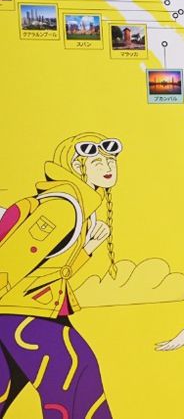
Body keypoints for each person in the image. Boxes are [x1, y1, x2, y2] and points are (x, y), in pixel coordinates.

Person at [0, 132, 122, 418]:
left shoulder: (80, 207)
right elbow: (10, 261)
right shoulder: (62, 208)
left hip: (28, 310)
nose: (108, 167)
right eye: (97, 162)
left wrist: (86, 249)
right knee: (76, 373)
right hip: (24, 311)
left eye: (111, 160)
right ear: (77, 166)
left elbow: (51, 270)